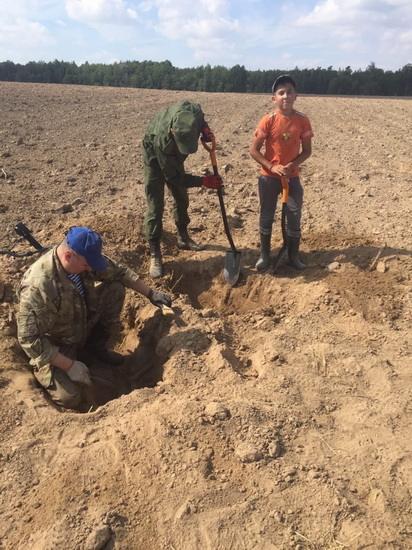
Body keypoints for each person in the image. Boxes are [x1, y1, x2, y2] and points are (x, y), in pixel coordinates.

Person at [16, 226, 172, 410]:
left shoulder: (81, 260)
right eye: (86, 264)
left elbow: (119, 272)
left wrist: (151, 293)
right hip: (58, 343)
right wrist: (68, 365)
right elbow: (28, 338)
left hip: (81, 323)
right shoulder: (38, 287)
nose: (90, 268)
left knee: (115, 287)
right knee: (69, 398)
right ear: (68, 256)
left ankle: (95, 349)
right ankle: (71, 361)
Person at [142, 100, 223, 278]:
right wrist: (203, 181)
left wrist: (204, 129)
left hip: (173, 156)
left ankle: (183, 237)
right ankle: (155, 251)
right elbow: (175, 178)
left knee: (181, 197)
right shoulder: (163, 142)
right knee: (156, 205)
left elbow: (201, 118)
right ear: (173, 132)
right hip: (154, 156)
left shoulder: (193, 111)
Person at [249, 75, 314, 272]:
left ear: (296, 96)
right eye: (281, 92)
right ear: (274, 98)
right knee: (267, 215)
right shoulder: (268, 121)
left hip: (292, 178)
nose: (286, 96)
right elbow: (254, 150)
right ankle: (264, 255)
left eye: (289, 92)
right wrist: (272, 167)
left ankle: (293, 256)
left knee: (294, 215)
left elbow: (307, 151)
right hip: (269, 178)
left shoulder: (302, 121)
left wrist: (291, 166)